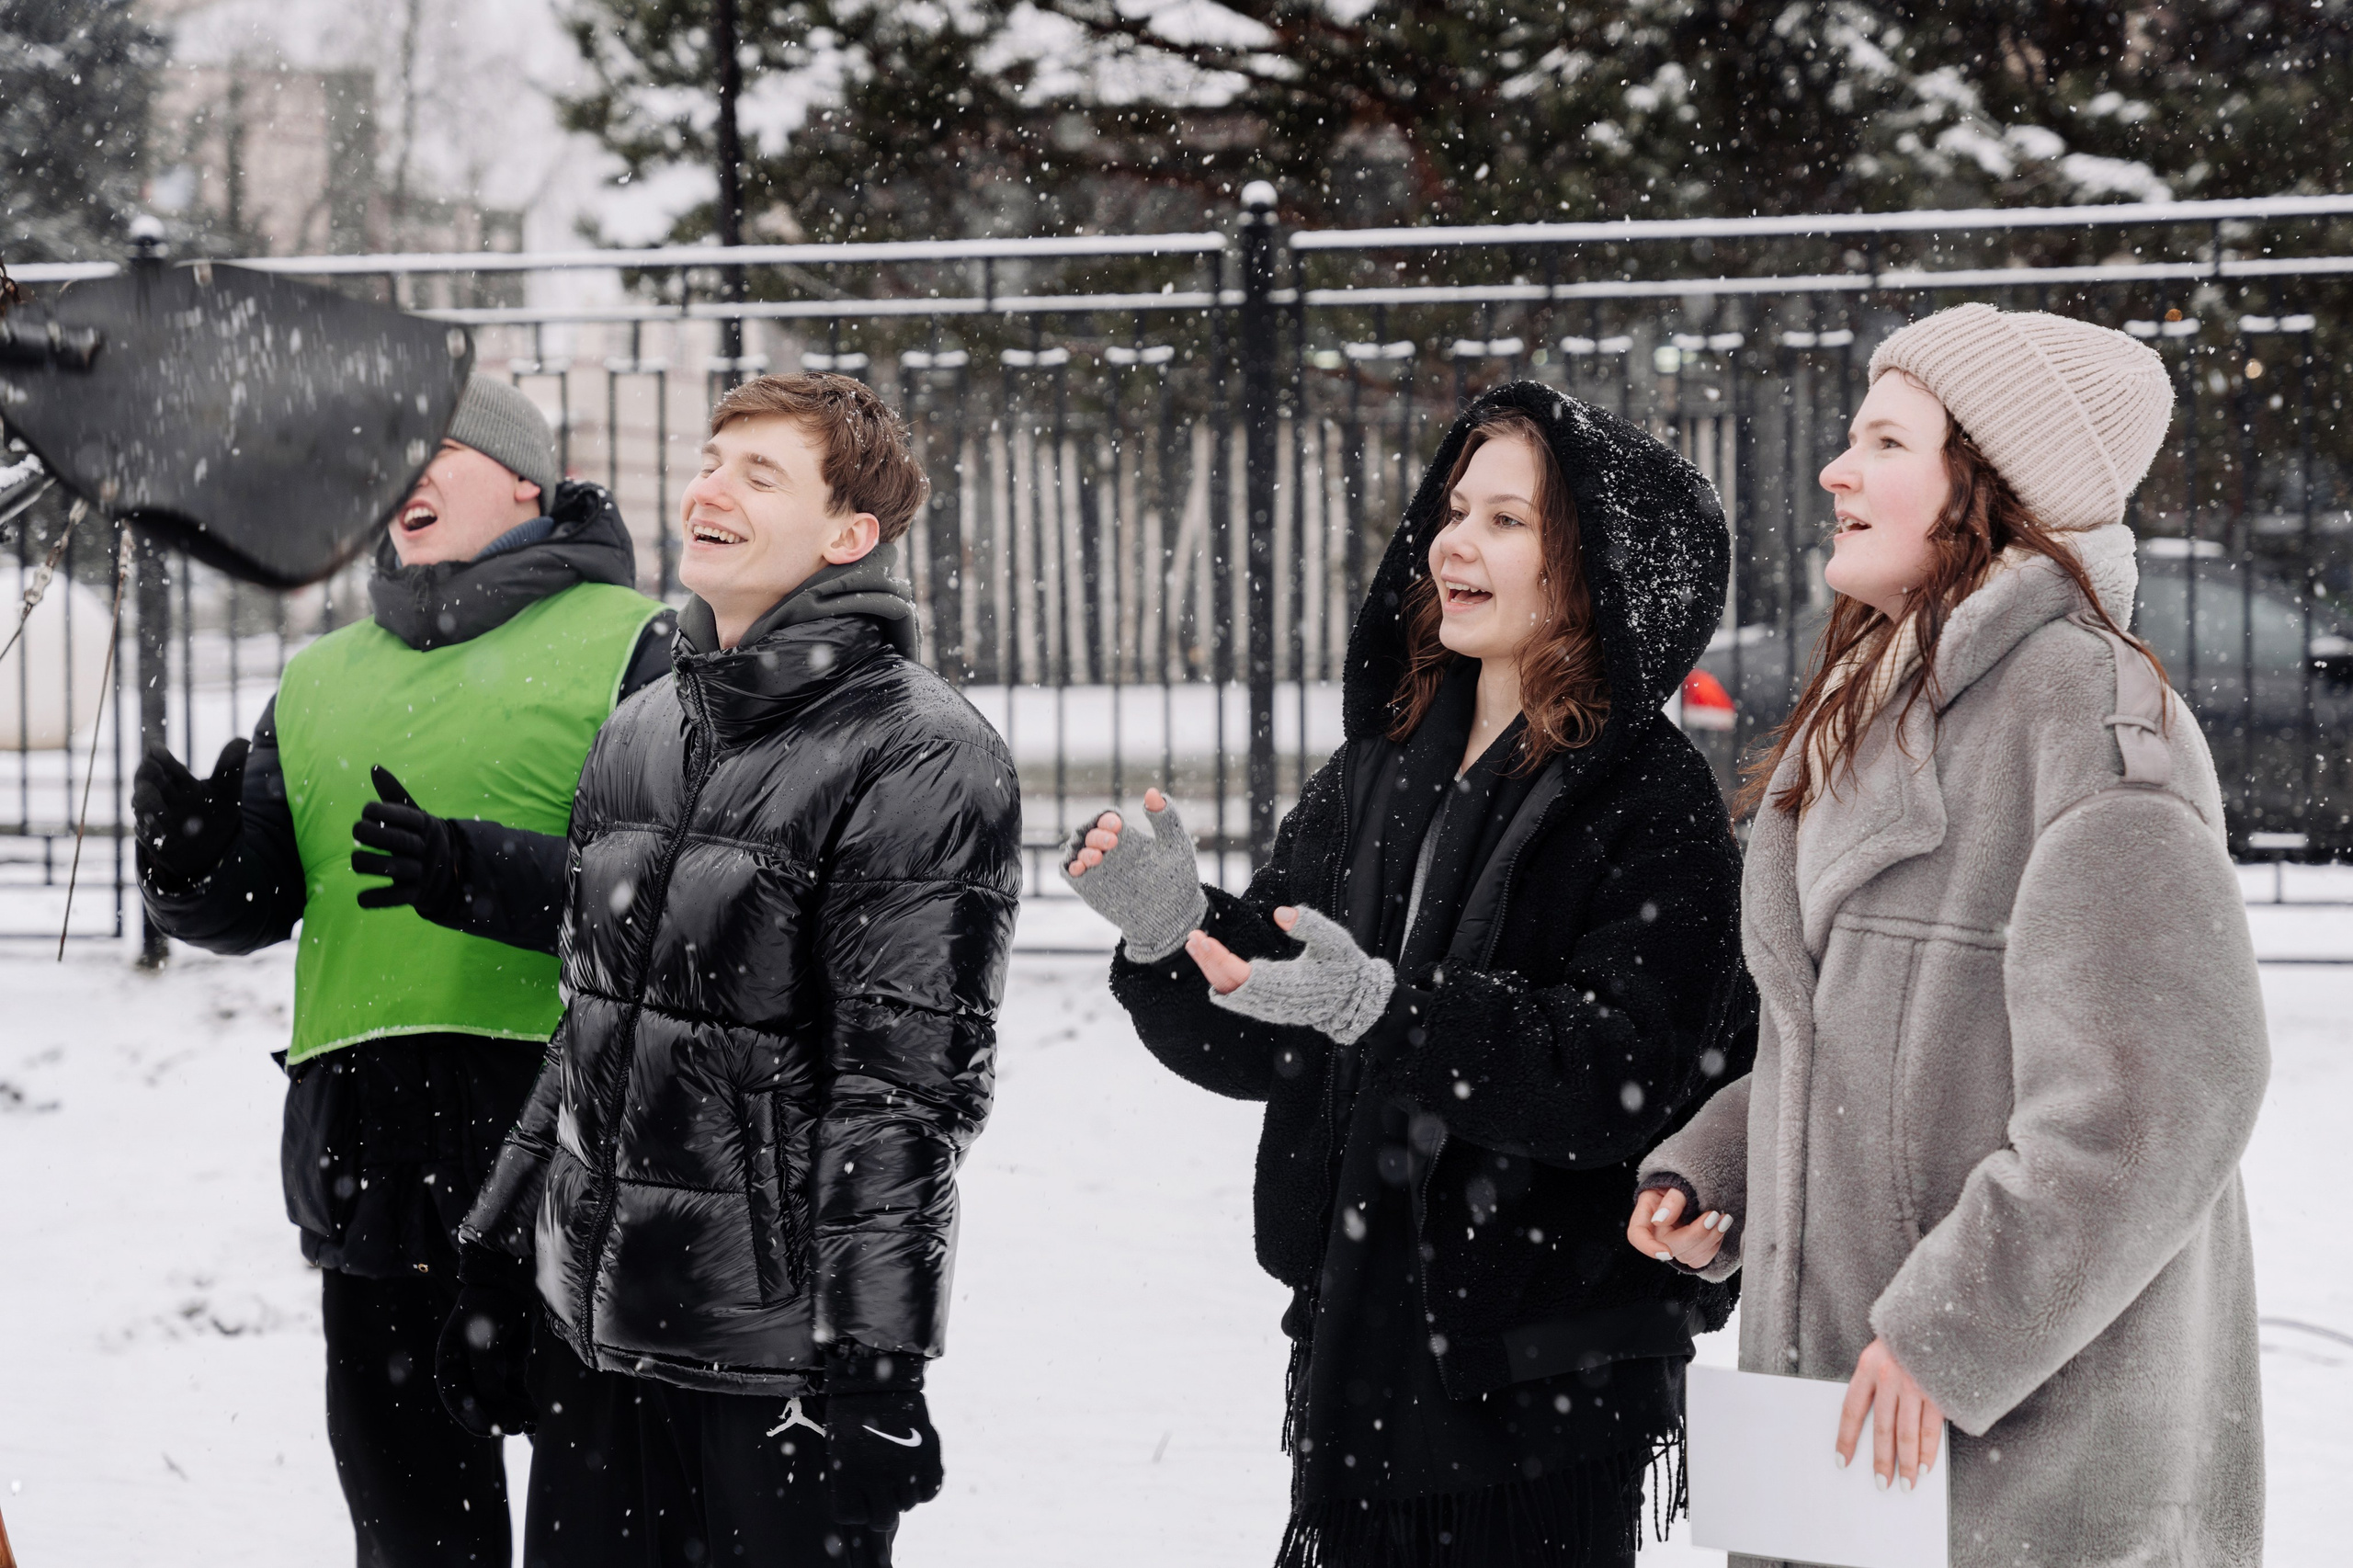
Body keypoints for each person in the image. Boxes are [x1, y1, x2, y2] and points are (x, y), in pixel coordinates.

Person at [1063, 382, 1756, 1567]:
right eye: (1454, 508)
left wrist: (1385, 1008)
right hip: (1359, 1351)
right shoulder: (1379, 768)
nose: (1453, 541)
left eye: (1509, 520)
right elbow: (1278, 1029)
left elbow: (1617, 1074)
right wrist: (1171, 935)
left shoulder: (1658, 805)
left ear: (1600, 574)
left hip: (1543, 1380)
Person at [1628, 303, 2269, 1566]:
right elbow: (1878, 1042)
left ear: (1990, 483)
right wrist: (1731, 1159)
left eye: (1883, 440)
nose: (1836, 470)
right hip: (1871, 1467)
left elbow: (2159, 1100)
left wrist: (1948, 1329)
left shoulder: (2085, 714)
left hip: (2032, 1485)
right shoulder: (1899, 706)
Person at [429, 371, 1020, 1567]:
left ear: (850, 534)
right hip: (596, 1336)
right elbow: (589, 1025)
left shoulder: (919, 753)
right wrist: (499, 1255)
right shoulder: (645, 723)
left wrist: (873, 1359)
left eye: (760, 473)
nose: (710, 489)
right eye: (710, 461)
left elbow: (903, 1092)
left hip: (773, 1359)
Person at [132, 374, 674, 1567]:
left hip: (578, 1159)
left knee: (612, 1535)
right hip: (370, 1160)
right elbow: (258, 901)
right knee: (412, 1537)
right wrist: (191, 866)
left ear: (525, 478)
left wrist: (479, 873)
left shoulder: (641, 645)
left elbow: (679, 902)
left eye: (438, 449)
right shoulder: (320, 677)